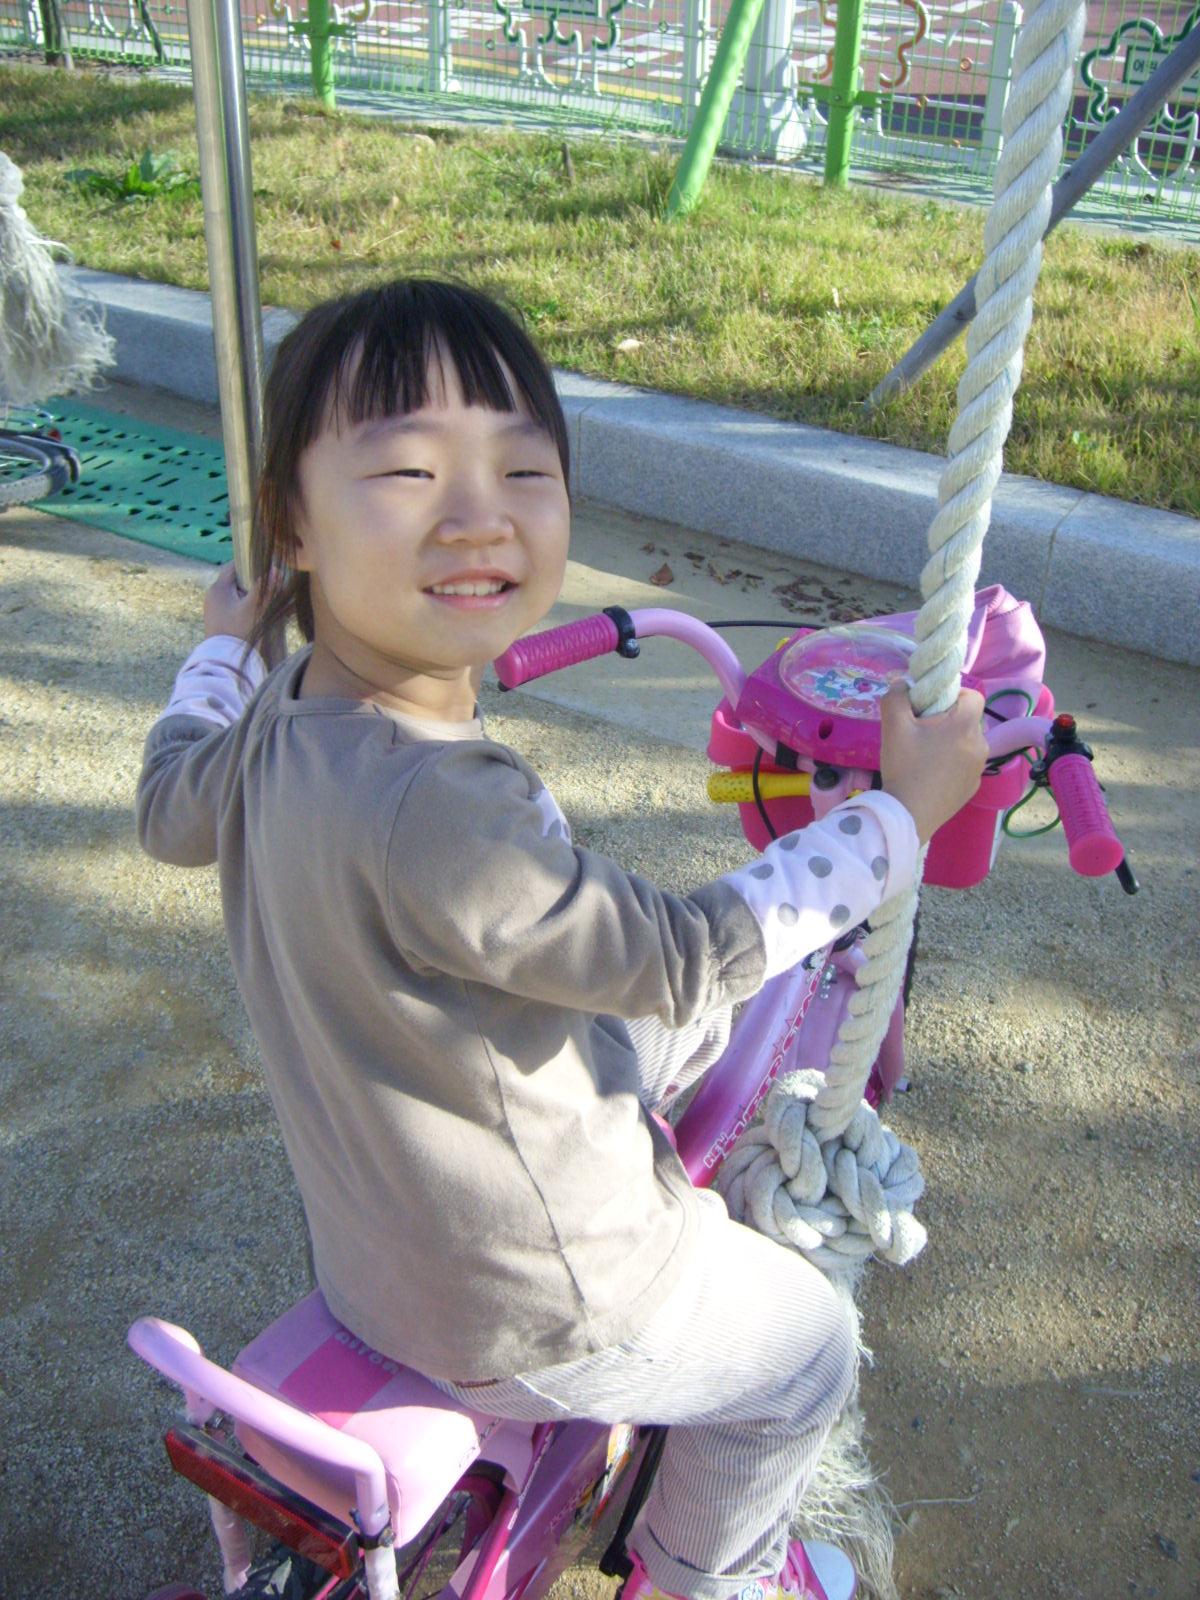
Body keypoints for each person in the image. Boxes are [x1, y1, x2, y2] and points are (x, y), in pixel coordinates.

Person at [136, 278, 988, 1600]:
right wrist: (893, 818)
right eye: (409, 471)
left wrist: (226, 647)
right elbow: (688, 954)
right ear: (289, 523)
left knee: (658, 1025)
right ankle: (708, 1574)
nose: (478, 513)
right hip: (550, 1291)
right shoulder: (440, 805)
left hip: (371, 1252)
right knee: (808, 1350)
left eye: (523, 468)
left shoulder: (279, 717)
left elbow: (165, 800)